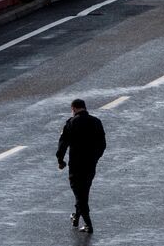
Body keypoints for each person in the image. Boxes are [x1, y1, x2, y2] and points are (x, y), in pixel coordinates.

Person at [56, 98, 106, 233]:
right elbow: (102, 145)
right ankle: (76, 217)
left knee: (80, 194)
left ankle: (89, 224)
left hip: (76, 165)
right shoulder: (96, 122)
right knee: (84, 191)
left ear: (73, 109)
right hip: (90, 165)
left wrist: (60, 161)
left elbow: (63, 144)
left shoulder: (71, 123)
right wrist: (95, 158)